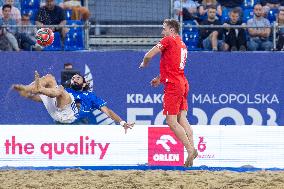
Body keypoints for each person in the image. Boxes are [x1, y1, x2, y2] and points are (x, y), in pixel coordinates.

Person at [139, 19, 198, 167]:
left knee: (171, 121)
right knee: (182, 118)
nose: (162, 32)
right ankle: (193, 147)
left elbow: (148, 55)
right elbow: (172, 64)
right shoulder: (182, 43)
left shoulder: (168, 40)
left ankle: (190, 149)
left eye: (164, 29)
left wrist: (144, 64)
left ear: (172, 30)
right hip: (182, 82)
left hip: (173, 85)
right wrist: (160, 78)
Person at [13, 71, 134, 133]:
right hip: (57, 111)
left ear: (84, 83)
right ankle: (27, 88)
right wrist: (28, 96)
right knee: (50, 77)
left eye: (78, 78)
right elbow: (45, 99)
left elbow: (108, 111)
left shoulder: (90, 96)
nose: (74, 79)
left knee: (59, 90)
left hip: (69, 116)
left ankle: (37, 88)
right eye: (73, 78)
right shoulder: (66, 90)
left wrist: (122, 122)